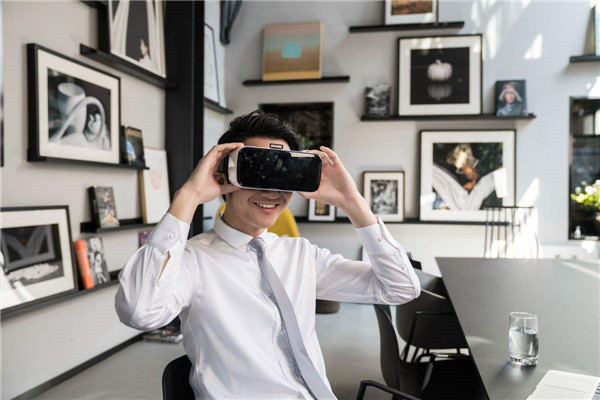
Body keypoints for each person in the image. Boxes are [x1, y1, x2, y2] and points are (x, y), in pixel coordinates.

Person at [114, 110, 421, 399]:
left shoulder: (300, 254)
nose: (272, 193)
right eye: (257, 173)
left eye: (282, 175)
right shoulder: (193, 260)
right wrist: (189, 196)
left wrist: (352, 201)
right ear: (224, 177)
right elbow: (140, 312)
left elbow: (401, 288)